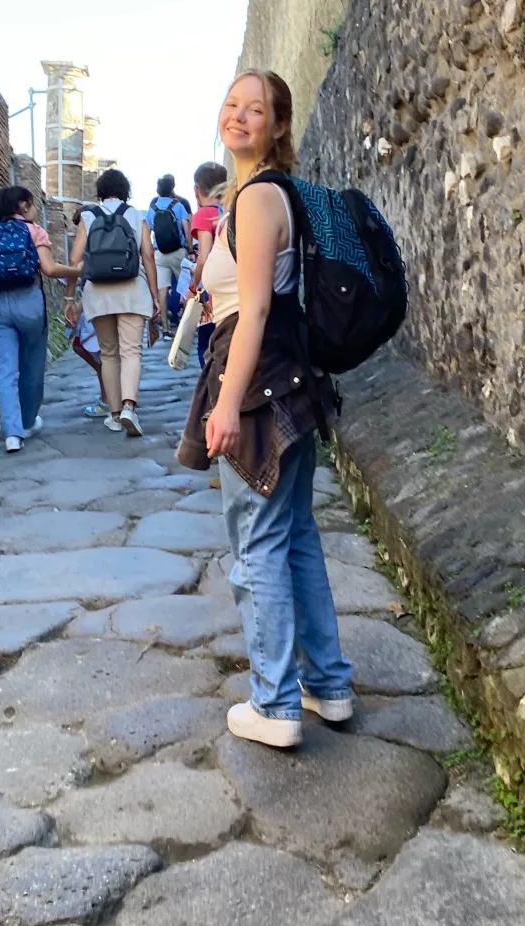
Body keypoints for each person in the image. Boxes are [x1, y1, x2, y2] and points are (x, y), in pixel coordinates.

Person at [177, 70, 353, 749]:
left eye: (257, 109)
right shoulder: (257, 196)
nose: (240, 116)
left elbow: (252, 311)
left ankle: (276, 703)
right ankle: (327, 685)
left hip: (258, 385)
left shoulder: (255, 199)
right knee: (296, 534)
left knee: (256, 547)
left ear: (279, 126)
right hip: (294, 381)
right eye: (232, 104)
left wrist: (223, 407)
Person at [0, 186, 81, 454]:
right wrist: (76, 270)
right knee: (32, 364)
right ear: (23, 206)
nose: (35, 209)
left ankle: (12, 434)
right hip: (29, 301)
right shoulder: (34, 231)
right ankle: (28, 422)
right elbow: (50, 269)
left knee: (4, 370)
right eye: (32, 205)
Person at [65, 169, 159, 437]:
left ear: (100, 192)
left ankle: (115, 414)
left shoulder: (88, 216)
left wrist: (70, 298)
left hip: (98, 291)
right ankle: (130, 406)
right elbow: (149, 257)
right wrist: (154, 295)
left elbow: (74, 260)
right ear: (125, 190)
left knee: (108, 353)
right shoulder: (136, 214)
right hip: (132, 288)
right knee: (131, 351)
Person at [69, 208, 121, 431]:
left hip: (97, 305)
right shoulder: (110, 243)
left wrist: (73, 303)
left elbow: (77, 268)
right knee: (106, 354)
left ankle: (109, 401)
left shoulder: (90, 251)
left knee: (99, 353)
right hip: (116, 301)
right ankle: (116, 399)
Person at [186, 162, 228, 369]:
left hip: (211, 294)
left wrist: (193, 287)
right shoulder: (230, 211)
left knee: (207, 348)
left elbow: (204, 257)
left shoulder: (203, 214)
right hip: (232, 292)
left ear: (197, 190)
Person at [147, 174, 192, 332]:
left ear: (157, 190)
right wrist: (190, 248)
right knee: (185, 288)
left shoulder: (152, 208)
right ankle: (187, 327)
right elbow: (187, 228)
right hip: (178, 252)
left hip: (160, 254)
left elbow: (149, 230)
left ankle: (166, 329)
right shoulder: (178, 206)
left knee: (163, 290)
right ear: (172, 188)